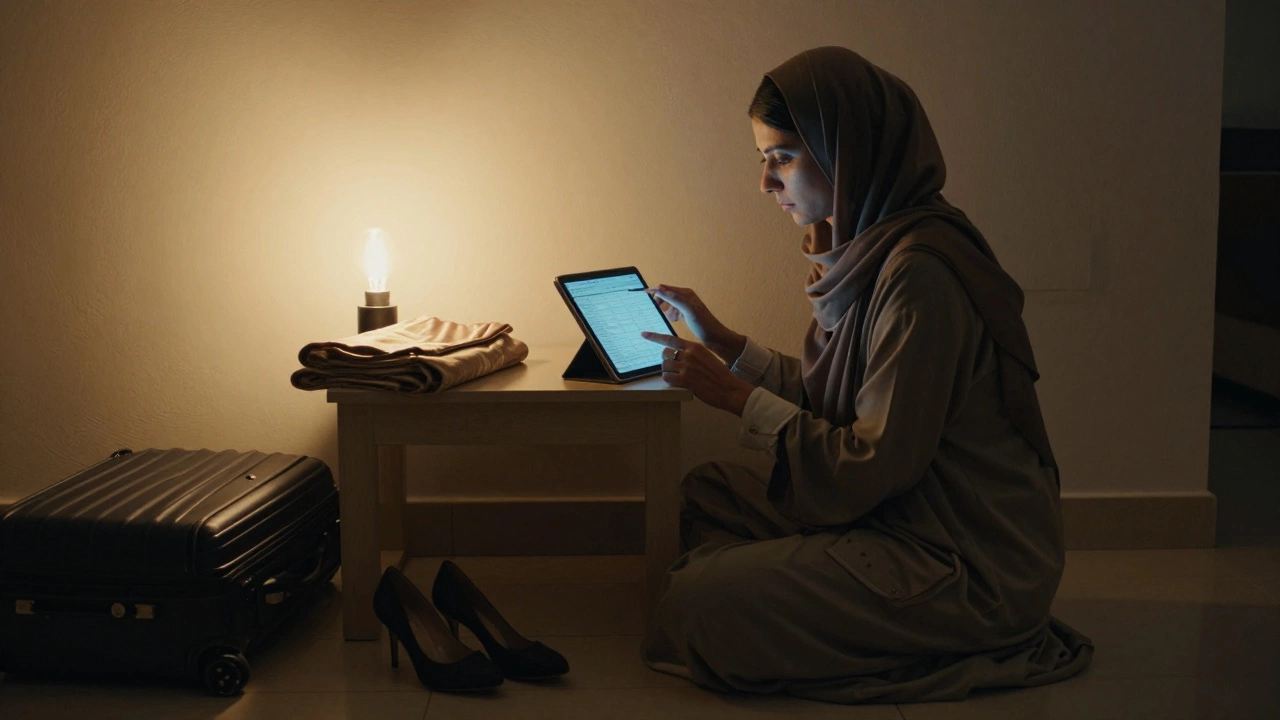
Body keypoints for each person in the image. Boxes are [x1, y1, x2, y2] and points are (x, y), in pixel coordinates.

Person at [636, 46, 1093, 704]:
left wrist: (735, 397)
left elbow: (871, 458)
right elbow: (850, 400)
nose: (766, 183)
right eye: (762, 159)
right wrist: (728, 345)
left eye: (782, 156)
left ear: (847, 152)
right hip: (890, 510)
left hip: (957, 554)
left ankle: (924, 630)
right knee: (704, 494)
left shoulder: (920, 274)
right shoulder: (871, 248)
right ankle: (801, 599)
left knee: (698, 602)